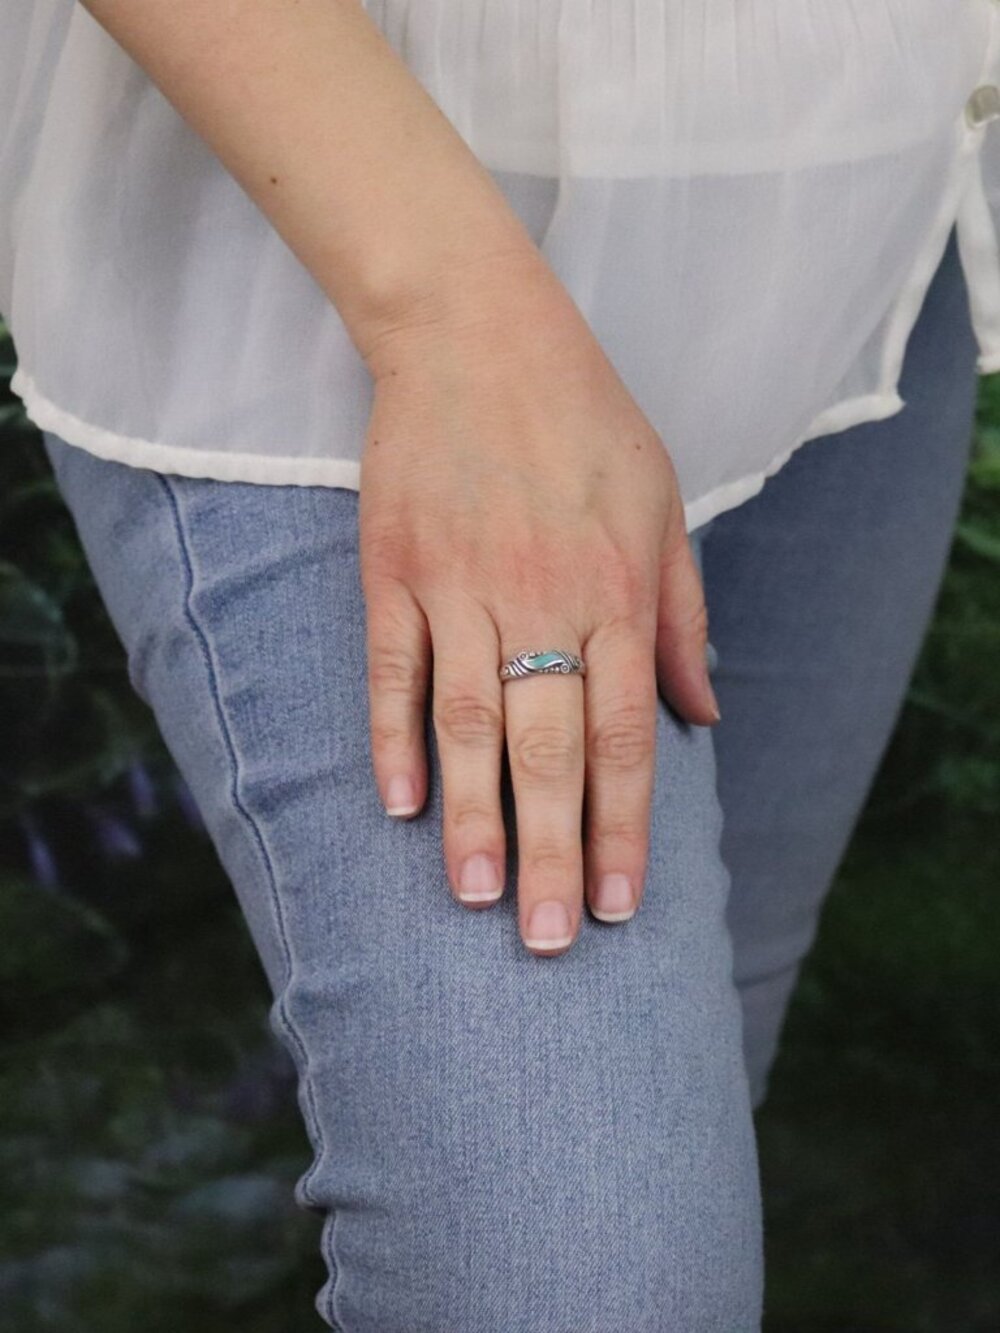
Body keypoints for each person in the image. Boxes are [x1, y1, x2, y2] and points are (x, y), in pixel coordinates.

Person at [2, 2, 998, 1329]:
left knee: (698, 1094)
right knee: (581, 1277)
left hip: (858, 189)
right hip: (353, 218)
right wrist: (450, 317)